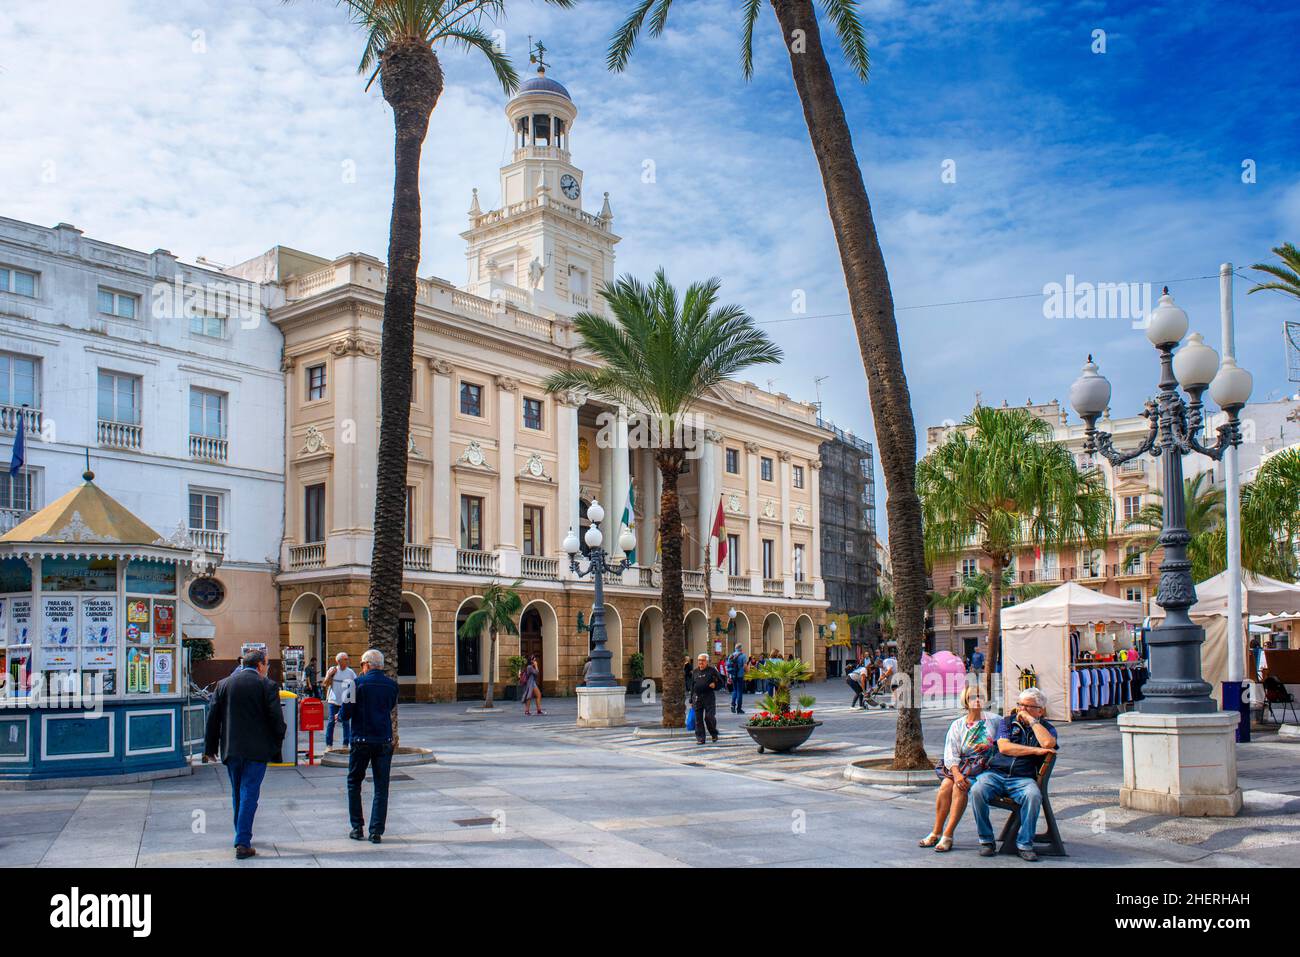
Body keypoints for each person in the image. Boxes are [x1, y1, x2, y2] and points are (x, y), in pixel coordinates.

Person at [202, 648, 286, 860]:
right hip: (257, 750)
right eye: (266, 664)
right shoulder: (267, 685)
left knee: (237, 791)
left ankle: (241, 833)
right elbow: (277, 720)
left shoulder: (224, 684)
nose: (267, 668)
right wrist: (278, 742)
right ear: (259, 665)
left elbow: (213, 719)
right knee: (250, 792)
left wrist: (209, 748)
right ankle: (242, 841)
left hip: (231, 748)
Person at [970, 687, 1058, 862]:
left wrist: (1032, 722)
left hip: (1023, 778)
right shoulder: (1008, 722)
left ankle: (1025, 844)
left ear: (1040, 710)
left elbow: (1048, 743)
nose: (1022, 710)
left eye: (1027, 706)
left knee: (1033, 796)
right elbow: (1004, 747)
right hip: (996, 773)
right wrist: (1034, 750)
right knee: (977, 790)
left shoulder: (1047, 728)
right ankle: (986, 840)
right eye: (1020, 705)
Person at [920, 686, 998, 852]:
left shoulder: (995, 721)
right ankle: (936, 831)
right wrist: (956, 774)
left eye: (980, 696)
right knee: (945, 787)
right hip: (962, 767)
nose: (977, 700)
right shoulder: (958, 725)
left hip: (983, 769)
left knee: (958, 787)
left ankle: (948, 834)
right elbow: (950, 753)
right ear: (965, 701)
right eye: (972, 697)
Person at [342, 648, 399, 844]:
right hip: (383, 740)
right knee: (381, 787)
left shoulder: (354, 684)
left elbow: (346, 713)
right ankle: (376, 831)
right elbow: (390, 707)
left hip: (361, 741)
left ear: (365, 665)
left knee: (354, 782)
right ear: (381, 666)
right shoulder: (392, 686)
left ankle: (357, 827)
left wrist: (339, 716)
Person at [323, 652, 356, 749]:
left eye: (347, 659)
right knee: (331, 722)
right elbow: (325, 684)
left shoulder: (350, 672)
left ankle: (345, 744)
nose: (347, 661)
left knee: (346, 723)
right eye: (345, 659)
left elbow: (356, 684)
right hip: (333, 700)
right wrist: (329, 675)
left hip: (345, 701)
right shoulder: (333, 670)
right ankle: (329, 745)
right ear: (339, 661)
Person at [689, 652, 723, 744]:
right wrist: (691, 700)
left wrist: (715, 685)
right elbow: (692, 686)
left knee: (709, 717)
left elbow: (721, 682)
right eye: (699, 660)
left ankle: (713, 733)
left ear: (707, 662)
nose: (700, 662)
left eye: (703, 660)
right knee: (698, 719)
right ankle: (700, 738)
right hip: (697, 698)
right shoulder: (695, 672)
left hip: (709, 698)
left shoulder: (712, 671)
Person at [727, 643, 748, 714]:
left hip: (733, 675)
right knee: (739, 692)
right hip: (740, 675)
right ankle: (739, 709)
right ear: (741, 648)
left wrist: (728, 676)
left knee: (734, 690)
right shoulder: (743, 656)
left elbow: (728, 666)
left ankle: (733, 704)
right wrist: (747, 673)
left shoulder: (731, 655)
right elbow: (745, 666)